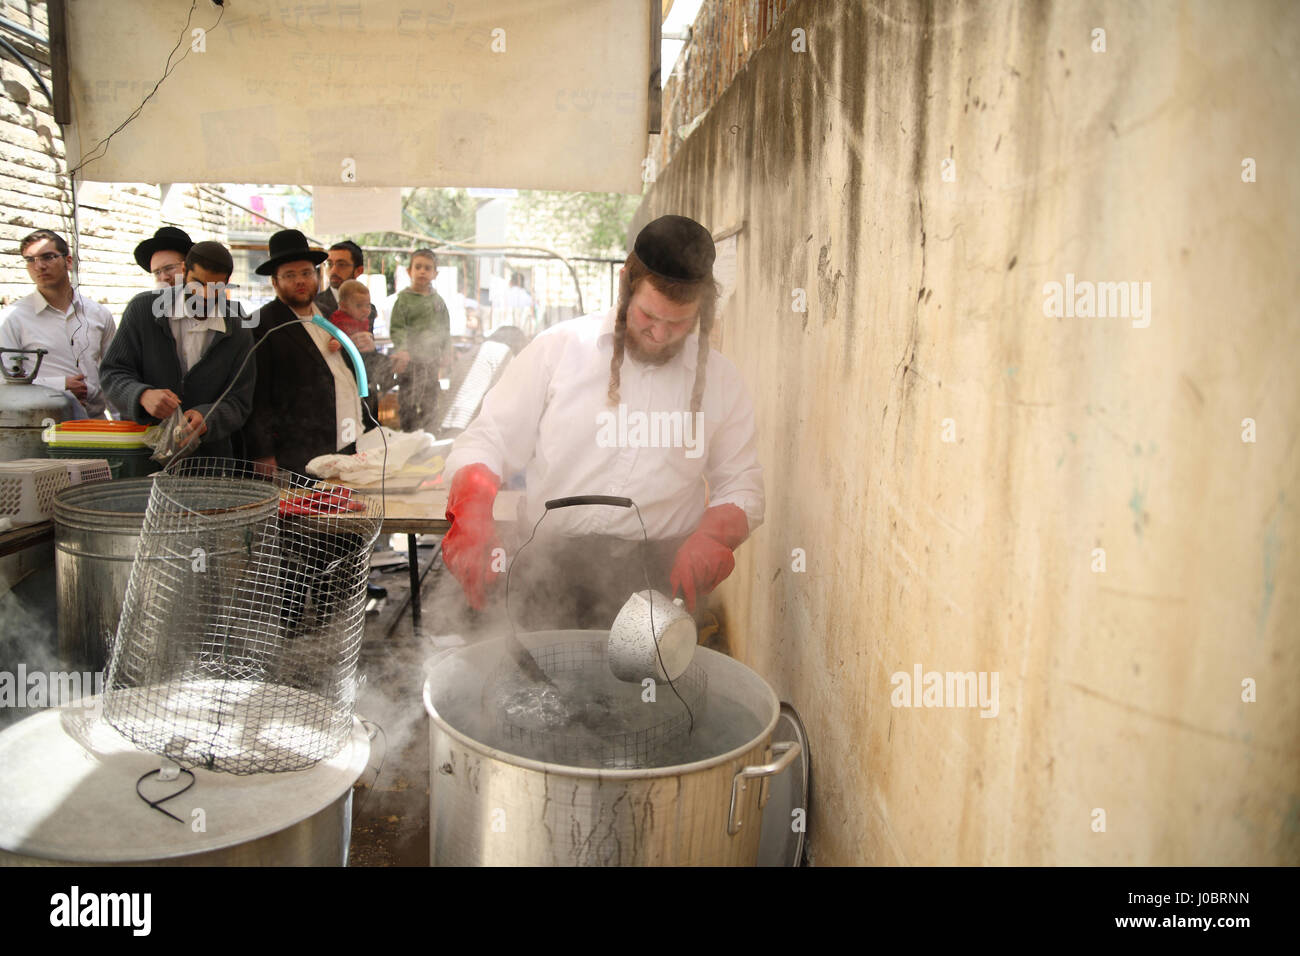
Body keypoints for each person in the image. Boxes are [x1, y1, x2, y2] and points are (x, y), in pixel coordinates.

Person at [440, 215, 764, 628]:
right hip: (546, 567)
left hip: (659, 579)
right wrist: (471, 513)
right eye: (648, 315)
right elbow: (488, 441)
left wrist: (714, 537)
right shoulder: (558, 350)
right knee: (536, 688)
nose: (660, 334)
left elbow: (741, 480)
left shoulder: (721, 380)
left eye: (679, 323)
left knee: (648, 692)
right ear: (626, 283)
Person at [100, 241, 255, 458]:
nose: (204, 296)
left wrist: (207, 418)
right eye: (197, 284)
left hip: (209, 464)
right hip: (143, 457)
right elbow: (112, 374)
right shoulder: (143, 310)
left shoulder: (238, 329)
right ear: (183, 271)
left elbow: (240, 401)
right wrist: (142, 395)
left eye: (215, 289)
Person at [240, 229, 367, 475]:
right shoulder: (262, 324)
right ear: (275, 282)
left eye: (306, 273)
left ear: (317, 277)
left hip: (343, 441)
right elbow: (256, 396)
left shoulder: (327, 314)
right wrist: (263, 452)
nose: (300, 281)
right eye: (290, 275)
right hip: (296, 452)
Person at [0, 229, 115, 418]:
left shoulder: (99, 314)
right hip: (41, 427)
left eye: (48, 257)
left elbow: (113, 374)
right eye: (30, 260)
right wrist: (60, 385)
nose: (39, 266)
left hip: (95, 426)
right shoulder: (12, 318)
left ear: (68, 261)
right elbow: (5, 382)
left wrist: (122, 424)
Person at [387, 248, 450, 432]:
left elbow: (445, 329)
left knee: (430, 399)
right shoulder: (403, 300)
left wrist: (446, 352)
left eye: (427, 268)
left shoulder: (438, 302)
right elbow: (397, 328)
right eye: (418, 267)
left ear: (435, 274)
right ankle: (409, 435)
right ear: (409, 271)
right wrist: (403, 349)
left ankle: (429, 436)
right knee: (407, 400)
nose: (422, 271)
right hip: (409, 363)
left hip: (431, 361)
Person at [330, 279, 393, 423]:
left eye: (367, 305)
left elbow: (369, 349)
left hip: (365, 380)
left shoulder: (363, 318)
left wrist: (369, 344)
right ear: (343, 306)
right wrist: (337, 343)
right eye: (359, 306)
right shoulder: (339, 319)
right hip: (345, 383)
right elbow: (333, 335)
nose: (366, 310)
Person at [315, 239, 378, 322]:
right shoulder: (314, 306)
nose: (333, 270)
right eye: (329, 264)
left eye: (341, 265)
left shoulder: (368, 310)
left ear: (359, 270)